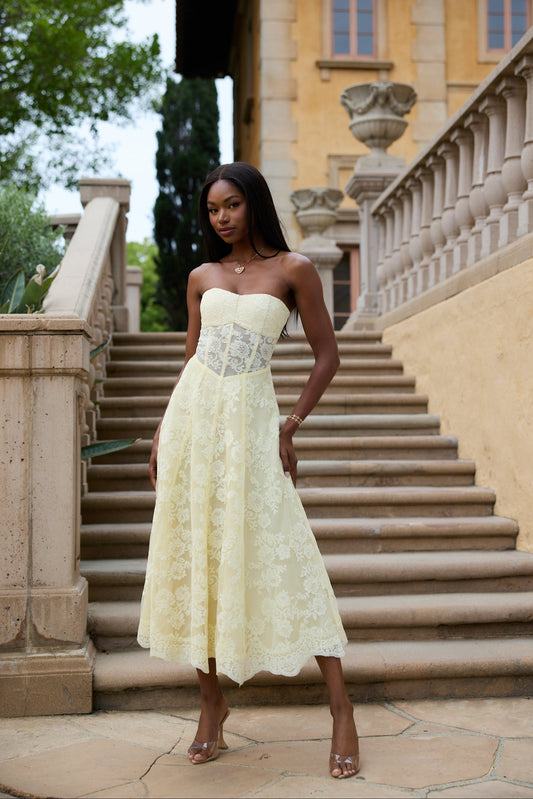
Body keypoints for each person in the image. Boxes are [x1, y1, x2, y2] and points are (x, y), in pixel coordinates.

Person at [137, 162, 360, 779]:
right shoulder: (201, 276)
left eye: (231, 205)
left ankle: (341, 709)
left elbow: (328, 355)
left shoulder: (294, 271)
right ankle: (212, 705)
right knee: (199, 556)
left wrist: (291, 425)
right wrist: (163, 430)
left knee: (291, 553)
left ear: (254, 203)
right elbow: (191, 361)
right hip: (193, 425)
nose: (222, 218)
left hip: (254, 424)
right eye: (212, 210)